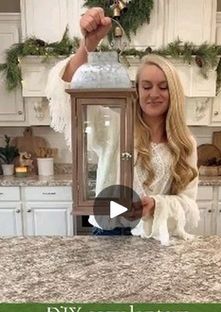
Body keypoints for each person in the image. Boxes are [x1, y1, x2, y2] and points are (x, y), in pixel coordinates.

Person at [46, 7, 200, 244]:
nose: (154, 94)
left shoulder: (185, 142)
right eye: (146, 86)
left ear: (174, 92)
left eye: (163, 86)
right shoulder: (115, 125)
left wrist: (156, 205)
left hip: (154, 236)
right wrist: (89, 44)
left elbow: (189, 204)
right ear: (136, 91)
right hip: (108, 234)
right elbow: (69, 93)